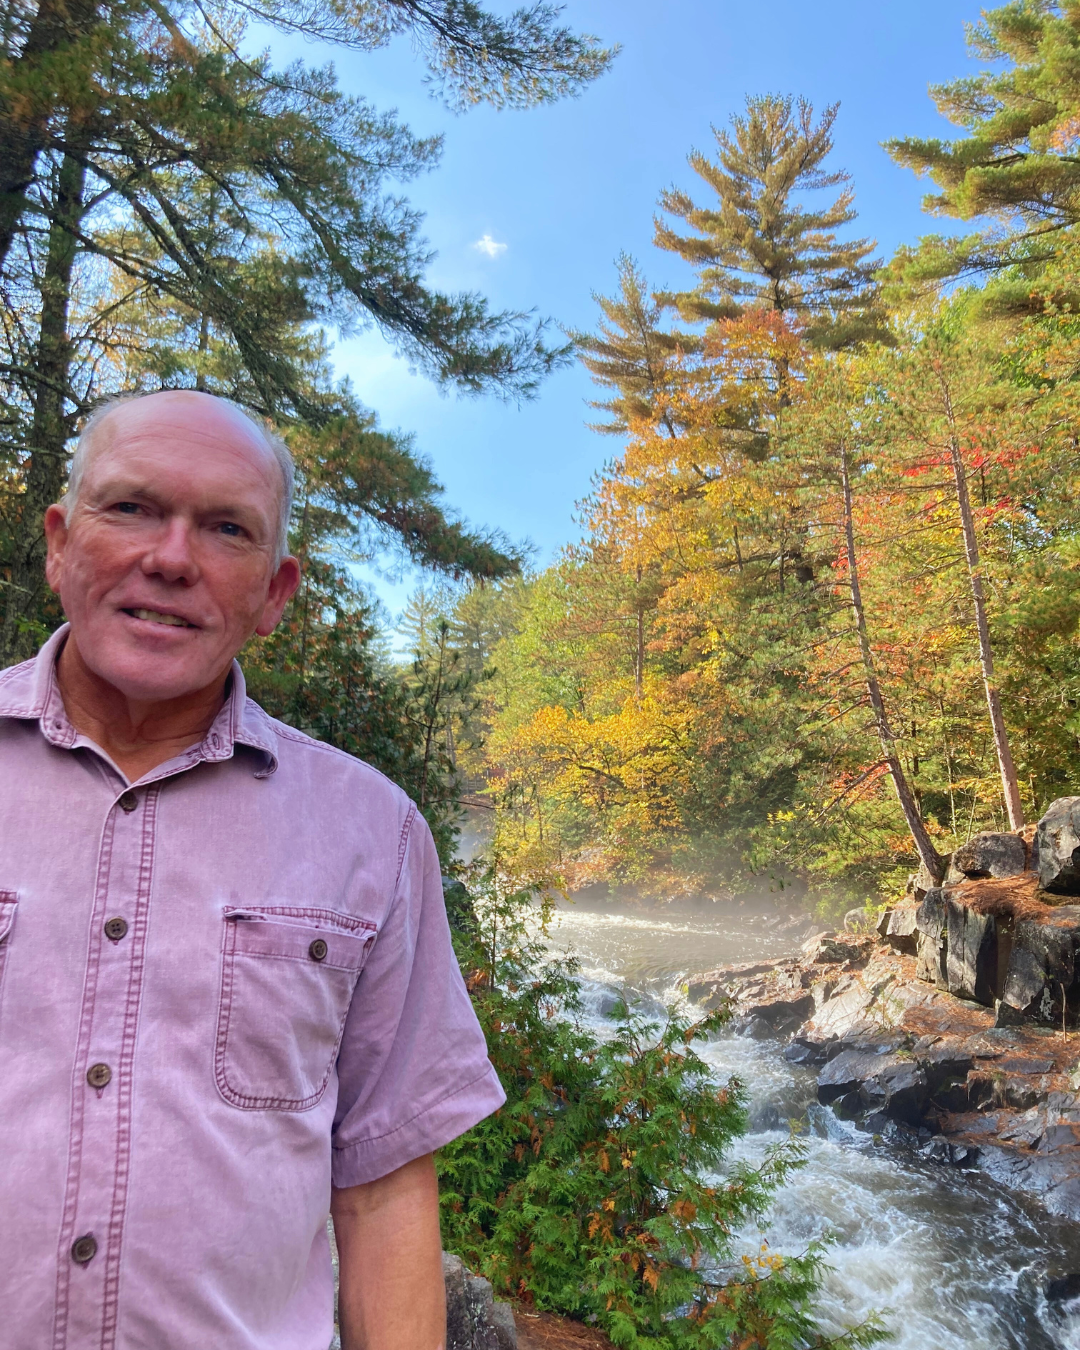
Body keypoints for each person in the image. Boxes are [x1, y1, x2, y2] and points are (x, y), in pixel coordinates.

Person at [0, 390, 505, 1350]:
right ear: (61, 546)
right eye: (133, 507)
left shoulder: (373, 832)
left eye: (227, 528)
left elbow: (385, 1186)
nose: (173, 557)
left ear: (274, 594)